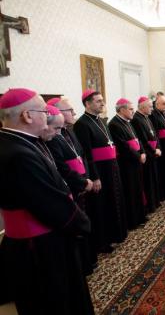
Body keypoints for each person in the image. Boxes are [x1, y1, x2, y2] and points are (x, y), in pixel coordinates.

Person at [0, 88, 94, 315]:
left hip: (40, 241)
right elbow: (51, 204)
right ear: (27, 116)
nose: (47, 115)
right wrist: (82, 225)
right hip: (41, 246)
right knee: (55, 302)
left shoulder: (19, 142)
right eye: (43, 110)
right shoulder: (19, 153)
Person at [45, 100, 96, 275]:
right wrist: (81, 183)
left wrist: (87, 179)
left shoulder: (69, 132)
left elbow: (81, 156)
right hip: (73, 186)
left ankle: (89, 259)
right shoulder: (51, 139)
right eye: (70, 110)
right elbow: (61, 167)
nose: (74, 113)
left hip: (83, 182)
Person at [73, 90, 127, 254]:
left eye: (102, 100)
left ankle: (115, 234)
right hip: (100, 171)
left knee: (113, 200)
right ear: (87, 104)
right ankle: (102, 242)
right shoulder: (82, 124)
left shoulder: (102, 121)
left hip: (111, 168)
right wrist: (95, 177)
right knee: (101, 206)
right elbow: (87, 154)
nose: (102, 103)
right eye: (98, 101)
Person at [108, 98, 147, 230]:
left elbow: (137, 139)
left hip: (136, 161)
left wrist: (142, 152)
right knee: (130, 190)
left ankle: (140, 215)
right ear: (122, 109)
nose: (133, 111)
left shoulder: (128, 122)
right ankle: (133, 220)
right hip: (127, 163)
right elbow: (123, 146)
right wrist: (138, 156)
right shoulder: (114, 124)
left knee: (138, 188)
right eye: (130, 109)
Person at [131, 96, 162, 213]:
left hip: (153, 152)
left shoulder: (147, 117)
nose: (152, 109)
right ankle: (150, 204)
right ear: (142, 107)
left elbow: (155, 135)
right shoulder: (136, 119)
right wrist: (153, 151)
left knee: (154, 178)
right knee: (148, 180)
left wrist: (158, 147)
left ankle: (155, 201)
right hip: (147, 154)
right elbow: (143, 140)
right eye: (150, 106)